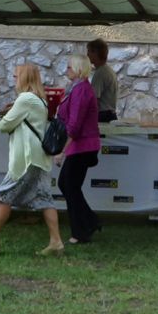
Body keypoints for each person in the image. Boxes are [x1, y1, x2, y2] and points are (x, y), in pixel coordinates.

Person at [0, 64, 63, 256]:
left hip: (27, 159)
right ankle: (56, 242)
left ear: (24, 78)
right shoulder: (39, 99)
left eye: (16, 76)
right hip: (38, 157)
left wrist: (9, 114)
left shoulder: (25, 98)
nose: (14, 79)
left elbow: (4, 125)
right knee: (45, 198)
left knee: (6, 196)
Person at [56, 54, 101, 245]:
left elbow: (74, 125)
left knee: (69, 185)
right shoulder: (77, 88)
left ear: (78, 69)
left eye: (69, 67)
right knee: (68, 185)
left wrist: (61, 151)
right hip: (79, 146)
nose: (66, 70)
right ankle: (89, 222)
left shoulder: (81, 90)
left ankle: (83, 229)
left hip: (82, 146)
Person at [87, 38, 118, 123]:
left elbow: (94, 100)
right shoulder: (107, 70)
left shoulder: (100, 73)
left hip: (103, 115)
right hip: (109, 114)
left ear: (96, 53)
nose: (87, 54)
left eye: (89, 51)